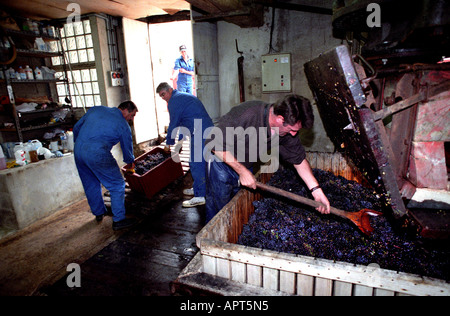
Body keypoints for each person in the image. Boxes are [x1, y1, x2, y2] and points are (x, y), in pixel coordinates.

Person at [205, 95, 331, 223]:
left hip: (245, 166)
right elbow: (214, 142)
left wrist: (316, 191)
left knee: (236, 210)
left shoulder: (285, 132)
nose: (294, 134)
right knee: (217, 212)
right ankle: (208, 242)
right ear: (280, 119)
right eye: (292, 130)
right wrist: (242, 171)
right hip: (221, 165)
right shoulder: (247, 114)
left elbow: (298, 161)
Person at [73, 101, 138, 231]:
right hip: (97, 153)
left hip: (78, 151)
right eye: (132, 115)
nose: (131, 119)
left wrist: (81, 144)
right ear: (125, 110)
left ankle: (98, 213)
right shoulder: (123, 124)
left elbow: (76, 128)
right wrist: (130, 163)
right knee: (117, 184)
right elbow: (127, 147)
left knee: (91, 183)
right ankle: (119, 219)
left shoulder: (96, 109)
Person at [156, 82, 213, 207]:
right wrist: (180, 142)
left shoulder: (174, 101)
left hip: (200, 130)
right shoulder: (180, 97)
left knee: (196, 162)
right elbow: (182, 124)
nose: (163, 98)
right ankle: (199, 188)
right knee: (199, 161)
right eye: (161, 96)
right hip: (203, 128)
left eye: (164, 94)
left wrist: (168, 144)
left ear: (170, 90)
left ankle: (200, 196)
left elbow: (173, 123)